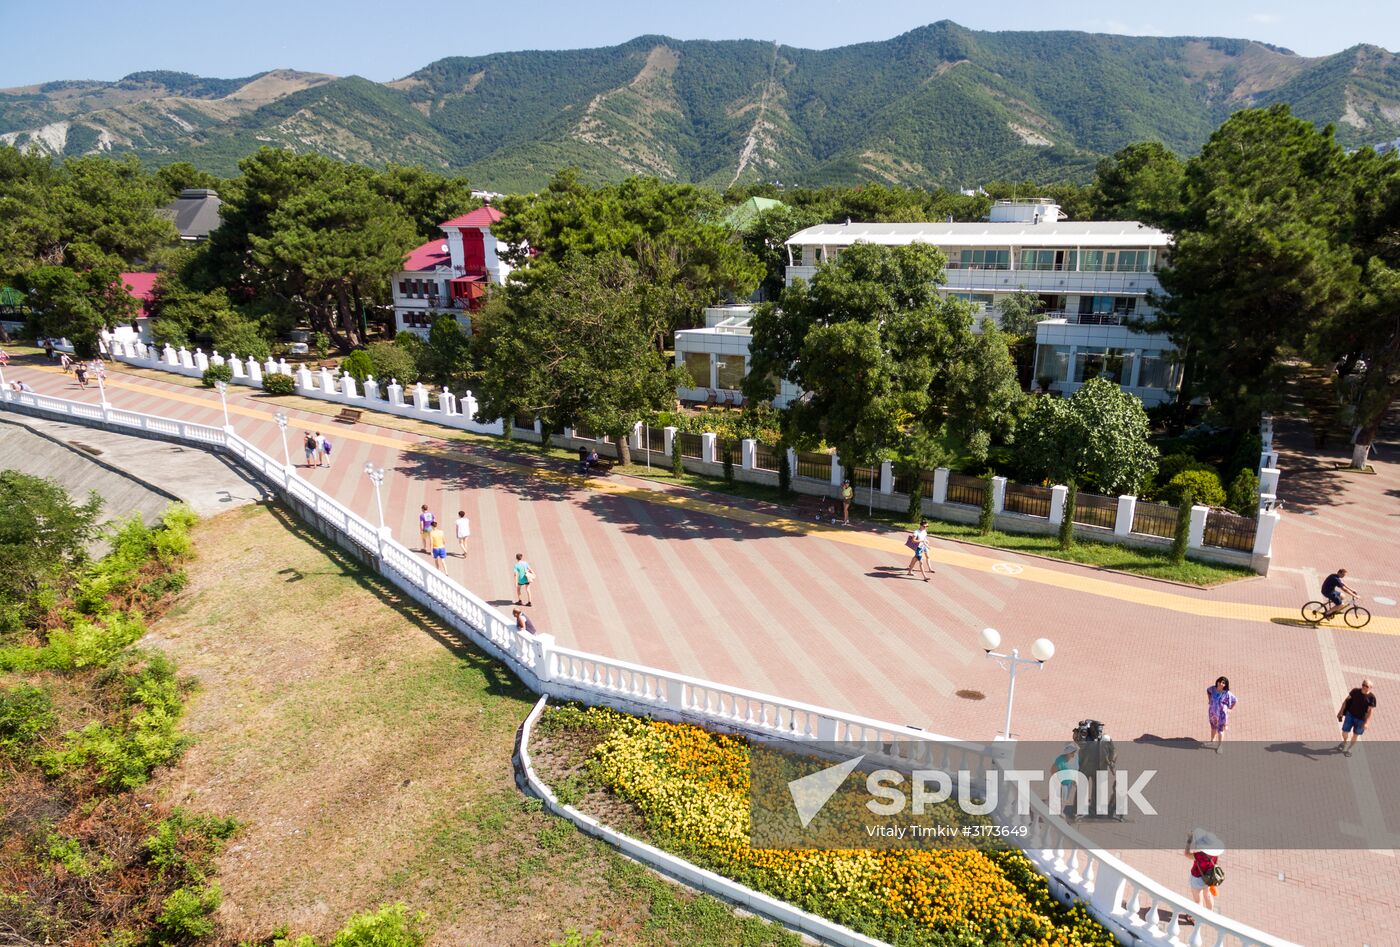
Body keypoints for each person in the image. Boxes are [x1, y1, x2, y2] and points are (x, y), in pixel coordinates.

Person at [1185, 829, 1225, 912]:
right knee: (1208, 895)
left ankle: (1195, 919)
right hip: (1209, 878)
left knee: (1198, 901)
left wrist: (1189, 842)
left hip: (1197, 878)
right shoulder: (1215, 854)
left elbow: (1187, 854)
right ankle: (1209, 913)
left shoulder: (1199, 855)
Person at [1336, 679, 1376, 757]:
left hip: (1361, 720)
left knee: (1355, 734)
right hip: (1350, 715)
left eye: (1366, 686)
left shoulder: (1372, 698)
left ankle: (1350, 748)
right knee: (1344, 731)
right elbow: (1346, 701)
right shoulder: (1355, 691)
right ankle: (1344, 742)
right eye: (1363, 685)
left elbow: (1370, 711)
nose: (1364, 687)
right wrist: (1341, 711)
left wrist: (1367, 722)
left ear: (1370, 687)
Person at [1205, 676, 1237, 753]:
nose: (1221, 683)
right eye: (1220, 681)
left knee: (1220, 730)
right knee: (1213, 727)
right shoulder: (1213, 689)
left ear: (1225, 685)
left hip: (1222, 715)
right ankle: (1212, 741)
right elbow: (1208, 691)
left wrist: (1230, 709)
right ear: (1217, 682)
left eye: (1223, 683)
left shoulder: (1227, 693)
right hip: (1212, 713)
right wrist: (1209, 700)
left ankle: (1220, 746)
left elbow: (1235, 700)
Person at [1051, 742, 1079, 812]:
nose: (1073, 754)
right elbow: (1053, 770)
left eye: (1074, 752)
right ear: (1067, 752)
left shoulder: (1075, 758)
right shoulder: (1060, 760)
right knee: (1058, 799)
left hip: (1069, 783)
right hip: (1062, 784)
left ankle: (1060, 812)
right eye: (1072, 753)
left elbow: (1075, 770)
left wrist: (1074, 780)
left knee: (1064, 800)